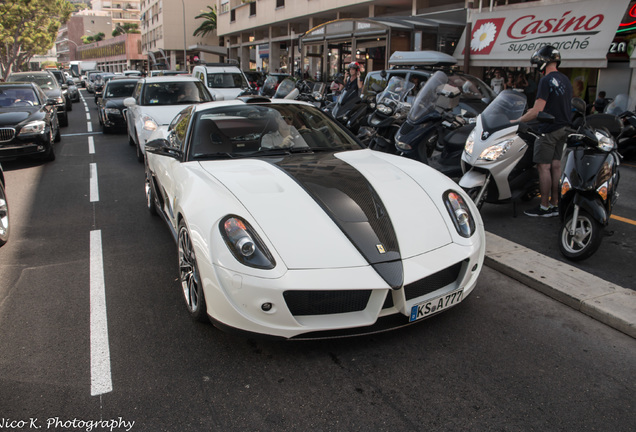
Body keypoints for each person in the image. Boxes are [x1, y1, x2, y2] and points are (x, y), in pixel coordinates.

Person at [515, 45, 573, 218]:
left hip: (548, 130)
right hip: (564, 128)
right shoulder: (565, 79)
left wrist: (515, 121)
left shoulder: (546, 80)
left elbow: (537, 111)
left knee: (543, 167)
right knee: (556, 166)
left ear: (542, 62)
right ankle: (555, 203)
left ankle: (544, 206)